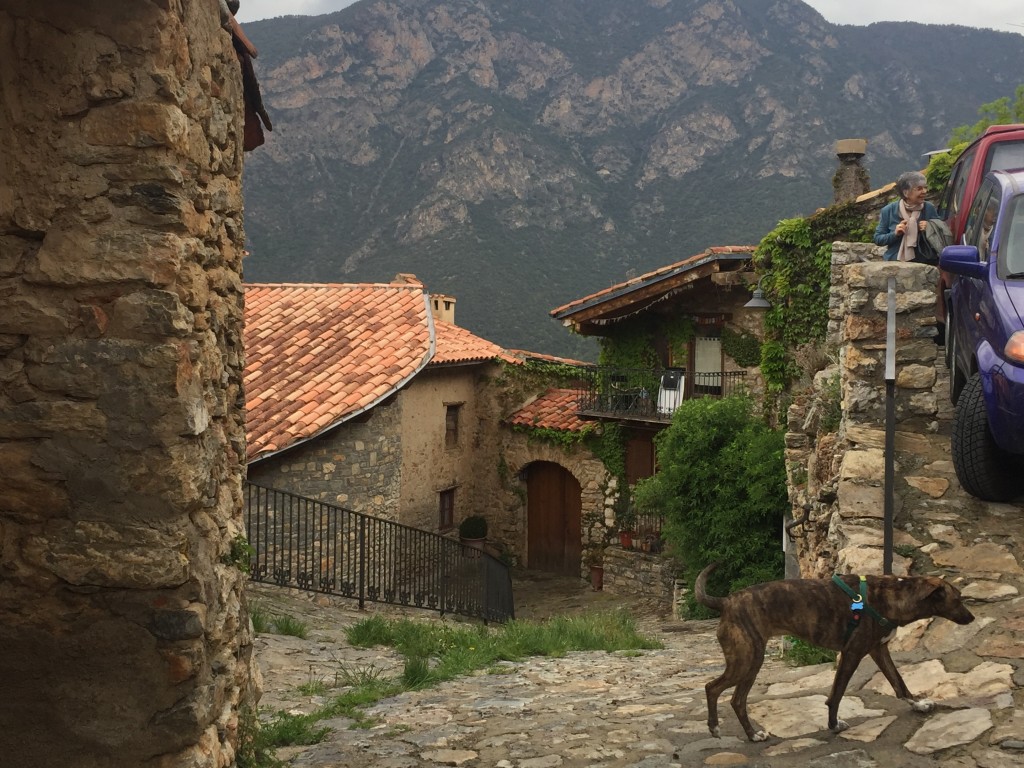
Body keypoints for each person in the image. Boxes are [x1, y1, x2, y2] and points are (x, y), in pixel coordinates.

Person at [874, 171, 939, 262]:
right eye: (919, 188)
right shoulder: (889, 210)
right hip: (895, 263)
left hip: (924, 263)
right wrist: (895, 234)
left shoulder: (929, 208)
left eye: (925, 187)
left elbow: (941, 234)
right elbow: (878, 239)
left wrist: (930, 228)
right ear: (906, 192)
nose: (924, 191)